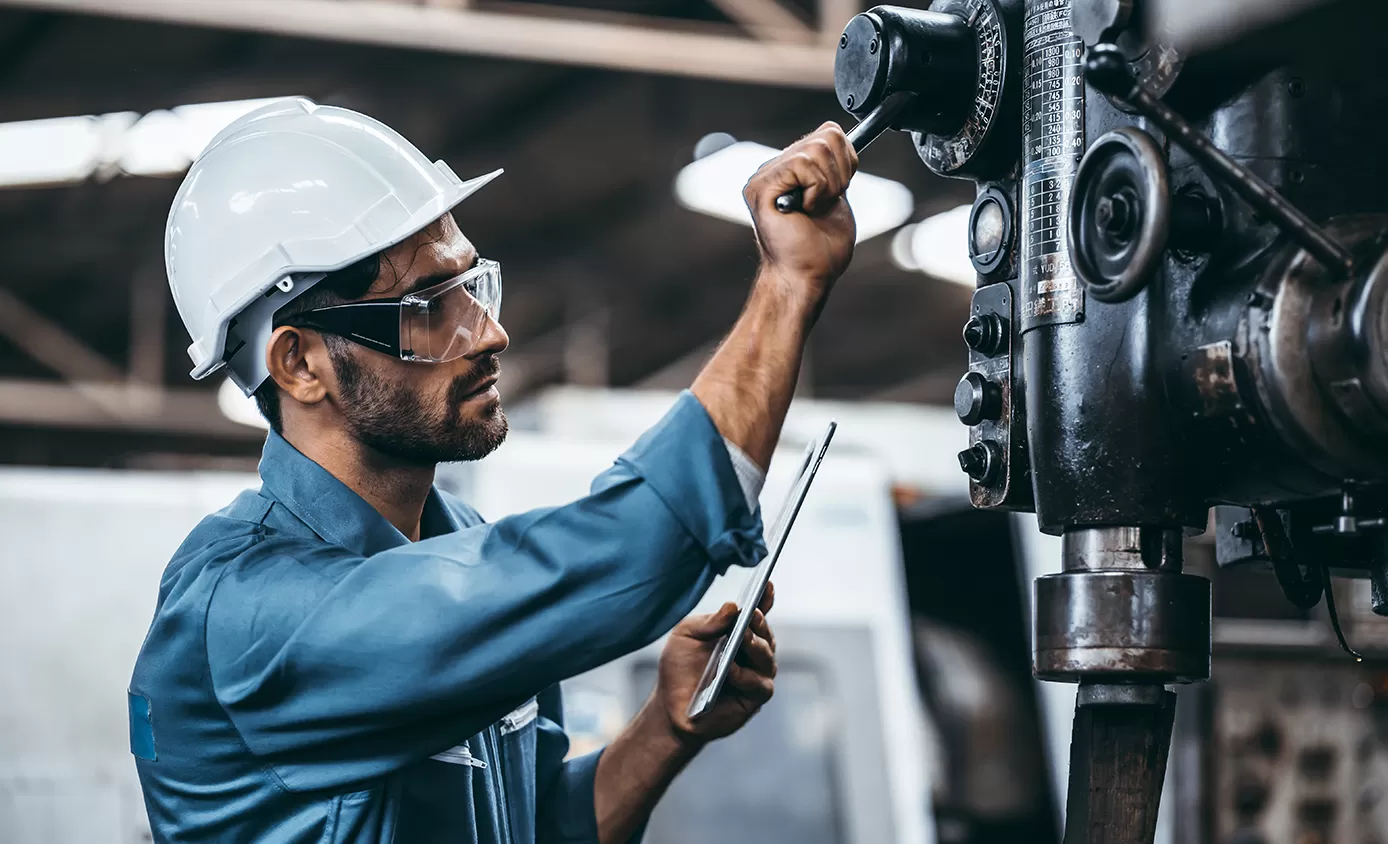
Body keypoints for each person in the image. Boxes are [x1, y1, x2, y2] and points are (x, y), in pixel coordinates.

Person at [127, 98, 859, 843]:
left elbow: (534, 824)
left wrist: (665, 727)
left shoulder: (455, 540)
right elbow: (636, 547)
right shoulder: (250, 612)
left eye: (472, 288)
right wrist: (786, 286)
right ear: (300, 363)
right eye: (428, 308)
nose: (491, 332)